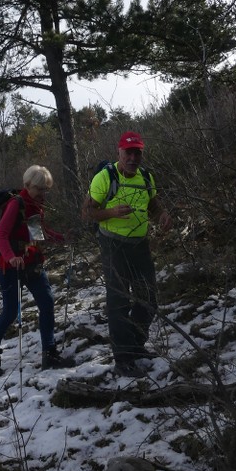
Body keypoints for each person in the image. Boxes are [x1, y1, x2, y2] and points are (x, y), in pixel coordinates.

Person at [82, 131, 172, 378]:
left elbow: (153, 203)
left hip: (140, 244)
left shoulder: (145, 176)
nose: (133, 157)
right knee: (119, 302)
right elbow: (87, 213)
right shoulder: (105, 177)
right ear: (118, 152)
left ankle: (135, 346)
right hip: (113, 245)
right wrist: (110, 213)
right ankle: (123, 359)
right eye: (128, 152)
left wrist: (161, 215)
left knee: (148, 299)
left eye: (137, 153)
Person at [0, 165, 75, 378]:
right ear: (27, 186)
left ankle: (49, 352)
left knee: (47, 303)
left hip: (32, 263)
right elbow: (1, 234)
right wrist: (10, 257)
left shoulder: (35, 207)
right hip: (11, 267)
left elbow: (39, 234)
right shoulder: (16, 204)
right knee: (10, 312)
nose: (43, 194)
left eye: (45, 189)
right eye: (39, 189)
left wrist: (62, 238)